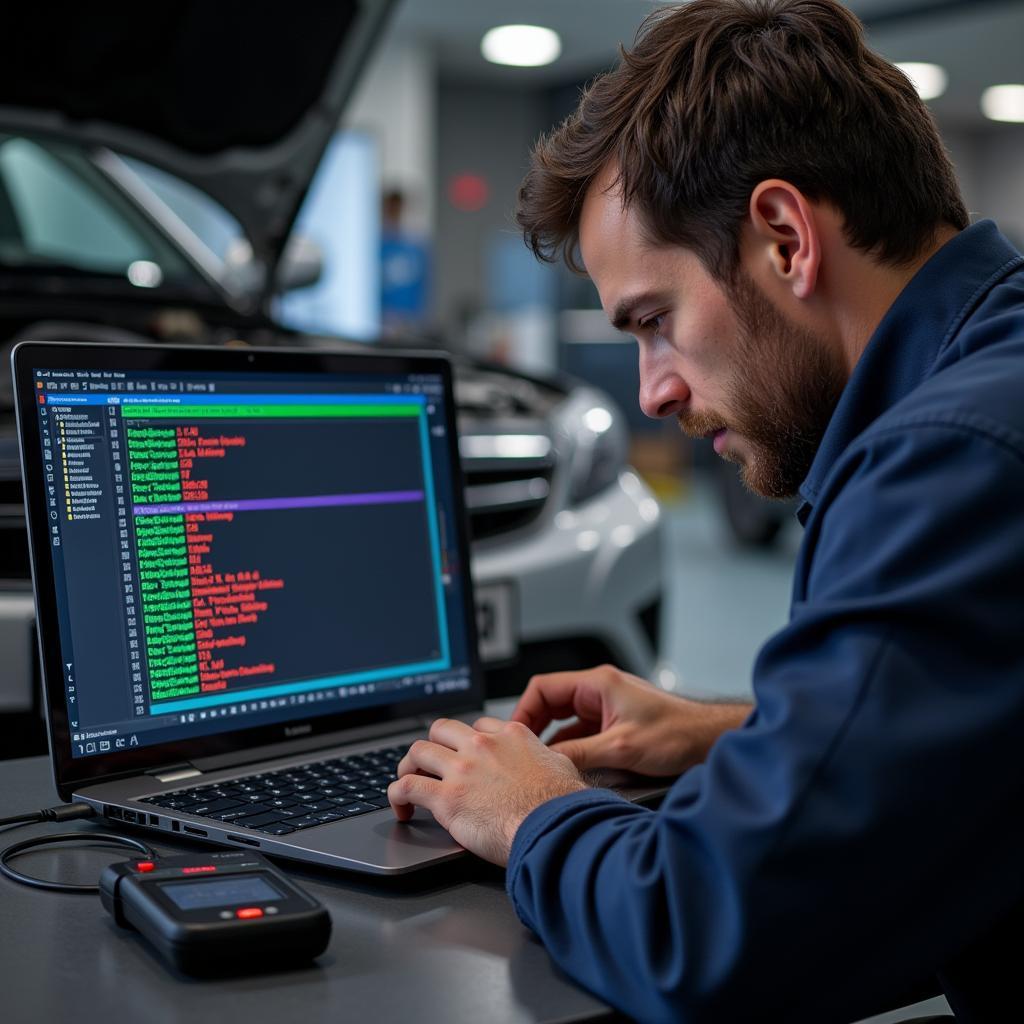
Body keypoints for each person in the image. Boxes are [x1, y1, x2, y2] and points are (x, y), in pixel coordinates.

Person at [387, 1, 1024, 1020]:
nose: (652, 392)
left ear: (783, 237)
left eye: (654, 322)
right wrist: (730, 734)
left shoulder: (950, 459)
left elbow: (706, 932)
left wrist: (536, 811)